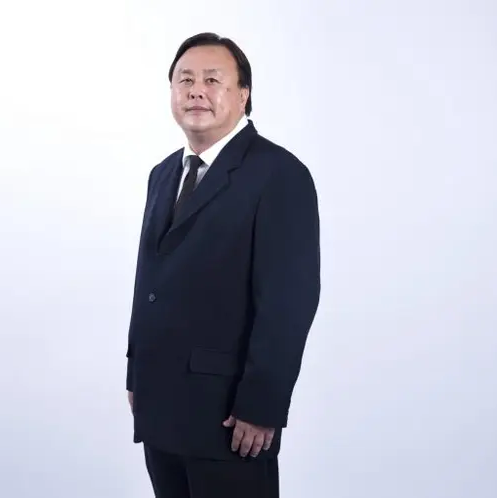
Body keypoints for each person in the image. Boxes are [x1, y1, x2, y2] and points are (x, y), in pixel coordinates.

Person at [125, 32, 321, 498]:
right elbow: (150, 278)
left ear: (243, 94)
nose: (196, 91)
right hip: (159, 404)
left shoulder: (279, 174)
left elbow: (288, 303)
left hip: (230, 417)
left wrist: (263, 405)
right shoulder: (163, 173)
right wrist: (137, 372)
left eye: (212, 80)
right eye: (185, 80)